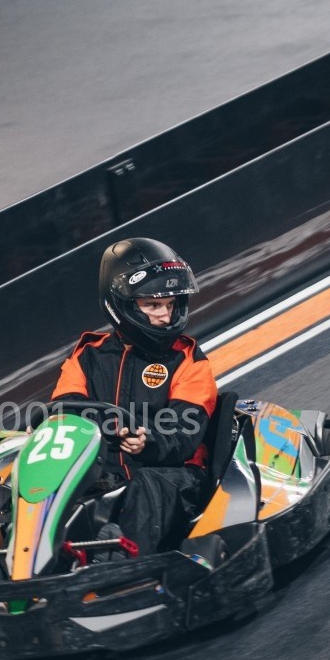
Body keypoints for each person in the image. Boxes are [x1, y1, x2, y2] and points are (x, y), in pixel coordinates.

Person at [49, 237, 218, 557]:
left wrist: (148, 440)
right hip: (104, 478)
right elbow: (64, 411)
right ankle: (11, 555)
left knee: (146, 486)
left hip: (173, 478)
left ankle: (122, 563)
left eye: (170, 305)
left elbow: (185, 430)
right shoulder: (87, 356)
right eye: (153, 305)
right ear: (122, 305)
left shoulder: (189, 360)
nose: (165, 317)